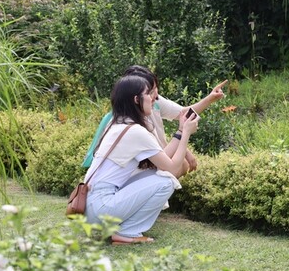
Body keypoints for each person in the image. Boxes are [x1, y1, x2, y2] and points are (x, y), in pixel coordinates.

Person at [84, 74, 198, 244]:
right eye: (148, 94)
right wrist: (186, 133)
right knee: (166, 181)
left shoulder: (119, 124)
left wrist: (181, 130)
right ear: (137, 99)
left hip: (92, 207)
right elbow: (173, 168)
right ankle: (127, 233)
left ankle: (120, 230)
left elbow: (163, 160)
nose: (153, 98)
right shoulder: (135, 131)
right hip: (102, 208)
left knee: (156, 174)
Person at [82, 65, 228, 178]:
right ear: (136, 97)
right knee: (166, 177)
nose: (154, 95)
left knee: (174, 168)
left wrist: (210, 98)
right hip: (127, 177)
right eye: (149, 91)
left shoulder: (148, 106)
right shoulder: (133, 126)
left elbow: (183, 113)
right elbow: (167, 165)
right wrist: (183, 134)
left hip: (124, 175)